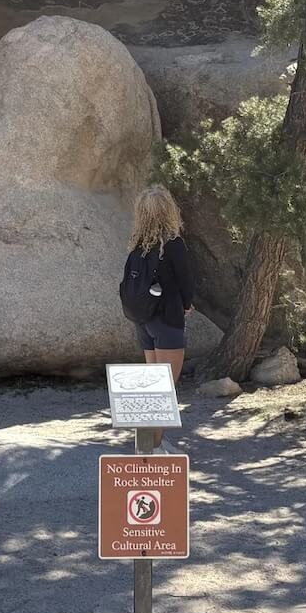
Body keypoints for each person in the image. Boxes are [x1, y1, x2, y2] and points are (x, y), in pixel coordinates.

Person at [126, 185, 194, 451]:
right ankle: (151, 449)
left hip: (143, 322)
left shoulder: (137, 246)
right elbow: (186, 281)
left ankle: (151, 443)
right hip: (167, 321)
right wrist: (187, 305)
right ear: (170, 211)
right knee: (165, 390)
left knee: (153, 388)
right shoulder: (174, 245)